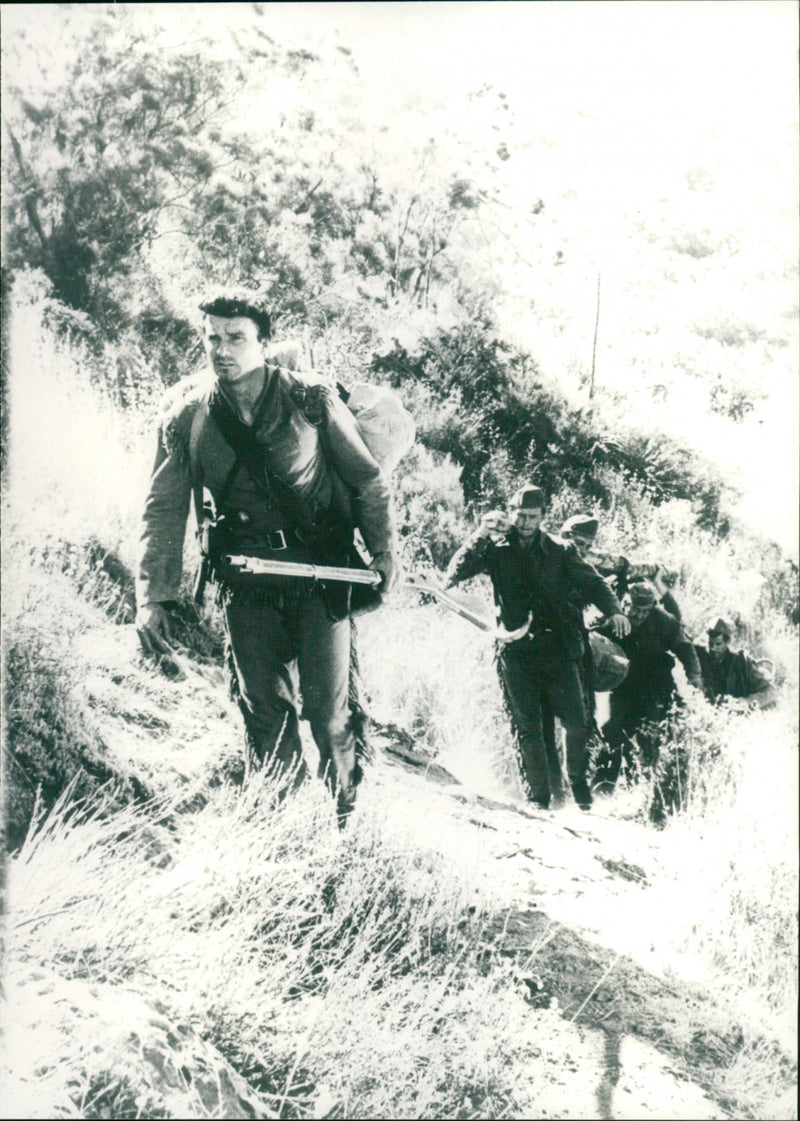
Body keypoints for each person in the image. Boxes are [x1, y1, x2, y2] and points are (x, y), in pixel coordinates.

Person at [135, 288, 399, 820]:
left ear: (264, 343)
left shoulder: (310, 399)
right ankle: (281, 827)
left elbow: (368, 480)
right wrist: (153, 596)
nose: (222, 349)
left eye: (236, 338)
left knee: (326, 713)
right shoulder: (188, 418)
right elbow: (162, 509)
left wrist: (383, 553)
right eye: (212, 337)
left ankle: (346, 815)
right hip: (245, 581)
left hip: (320, 575)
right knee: (263, 713)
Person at [444, 485, 629, 810]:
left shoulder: (560, 550)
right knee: (527, 727)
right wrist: (479, 535)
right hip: (516, 652)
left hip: (557, 651)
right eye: (519, 515)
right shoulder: (495, 547)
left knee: (577, 723)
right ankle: (540, 800)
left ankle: (579, 790)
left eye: (532, 516)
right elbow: (454, 574)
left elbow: (594, 582)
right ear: (511, 513)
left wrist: (613, 610)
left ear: (543, 517)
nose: (525, 522)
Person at [596, 581, 702, 790]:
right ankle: (604, 785)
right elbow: (594, 641)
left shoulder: (664, 621)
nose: (638, 615)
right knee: (612, 729)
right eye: (634, 609)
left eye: (645, 611)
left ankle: (648, 789)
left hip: (656, 684)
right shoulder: (613, 618)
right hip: (624, 684)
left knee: (650, 735)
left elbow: (685, 648)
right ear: (625, 602)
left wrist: (694, 675)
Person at [559, 515, 682, 621]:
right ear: (564, 536)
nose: (582, 550)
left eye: (587, 546)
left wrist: (661, 573)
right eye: (579, 543)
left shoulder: (590, 562)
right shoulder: (547, 552)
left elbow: (628, 567)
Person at [695, 618, 775, 708]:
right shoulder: (703, 660)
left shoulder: (742, 662)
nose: (713, 648)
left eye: (718, 644)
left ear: (727, 642)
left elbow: (770, 691)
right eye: (710, 644)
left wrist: (746, 702)